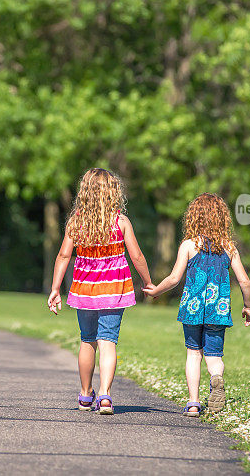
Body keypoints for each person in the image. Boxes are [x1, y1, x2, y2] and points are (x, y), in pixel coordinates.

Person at [48, 168, 152, 415]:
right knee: (108, 341)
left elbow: (64, 255)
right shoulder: (121, 221)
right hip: (114, 288)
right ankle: (105, 395)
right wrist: (148, 282)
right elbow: (136, 256)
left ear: (84, 193)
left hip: (85, 289)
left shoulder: (76, 222)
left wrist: (55, 289)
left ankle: (85, 395)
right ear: (113, 192)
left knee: (87, 340)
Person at [144, 193, 250, 416]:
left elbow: (174, 279)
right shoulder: (229, 248)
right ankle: (216, 378)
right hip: (218, 309)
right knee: (214, 355)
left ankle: (193, 403)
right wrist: (247, 305)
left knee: (193, 354)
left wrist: (155, 291)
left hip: (191, 309)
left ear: (194, 218)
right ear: (222, 218)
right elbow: (244, 280)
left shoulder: (188, 245)